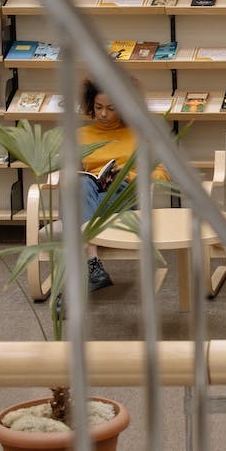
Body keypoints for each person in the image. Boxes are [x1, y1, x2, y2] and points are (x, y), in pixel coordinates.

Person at [77, 78, 169, 292]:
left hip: (123, 196)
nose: (103, 114)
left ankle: (78, 277)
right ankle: (93, 265)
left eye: (111, 108)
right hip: (88, 194)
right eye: (98, 107)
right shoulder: (81, 135)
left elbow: (162, 175)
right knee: (80, 185)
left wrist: (128, 176)